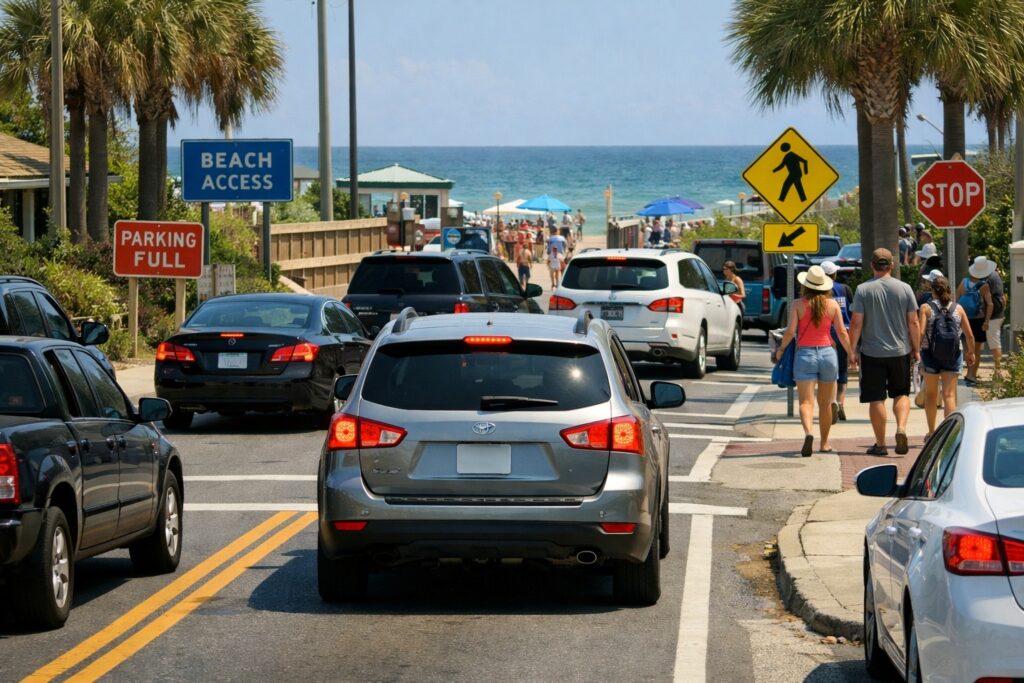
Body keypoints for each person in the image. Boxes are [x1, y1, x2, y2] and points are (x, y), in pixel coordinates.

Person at [772, 265, 853, 456]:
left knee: (806, 402)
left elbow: (791, 332)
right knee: (825, 403)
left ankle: (809, 433)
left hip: (805, 355)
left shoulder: (798, 304)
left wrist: (781, 349)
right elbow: (842, 332)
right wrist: (851, 353)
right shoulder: (832, 305)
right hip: (828, 354)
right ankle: (824, 443)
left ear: (806, 285)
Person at [848, 248, 920, 456]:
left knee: (876, 399)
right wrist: (916, 349)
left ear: (872, 265)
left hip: (872, 353)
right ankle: (901, 428)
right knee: (901, 393)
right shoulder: (905, 289)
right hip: (900, 351)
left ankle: (880, 444)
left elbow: (856, 323)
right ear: (892, 265)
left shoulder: (863, 290)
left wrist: (851, 350)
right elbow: (913, 322)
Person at [918, 275, 975, 439]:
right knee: (949, 395)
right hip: (953, 353)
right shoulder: (958, 309)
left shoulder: (925, 308)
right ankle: (948, 435)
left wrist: (915, 351)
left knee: (931, 394)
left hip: (929, 354)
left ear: (933, 291)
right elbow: (969, 336)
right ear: (949, 290)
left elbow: (921, 333)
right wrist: (970, 353)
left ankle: (931, 432)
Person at [821, 261, 853, 422]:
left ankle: (831, 401)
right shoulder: (845, 289)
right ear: (834, 274)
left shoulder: (817, 291)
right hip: (843, 333)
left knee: (828, 373)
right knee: (842, 371)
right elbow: (852, 312)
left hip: (825, 335)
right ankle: (840, 402)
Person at [957, 256, 995, 386]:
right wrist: (986, 321)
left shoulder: (964, 282)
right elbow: (990, 304)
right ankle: (972, 375)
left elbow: (957, 299)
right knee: (977, 350)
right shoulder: (984, 286)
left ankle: (968, 373)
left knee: (968, 349)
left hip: (965, 320)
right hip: (978, 320)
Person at [981, 256, 1006, 372]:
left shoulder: (988, 281)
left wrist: (986, 321)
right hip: (999, 312)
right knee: (995, 341)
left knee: (994, 343)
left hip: (993, 315)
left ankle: (998, 370)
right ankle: (998, 369)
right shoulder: (996, 275)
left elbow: (989, 304)